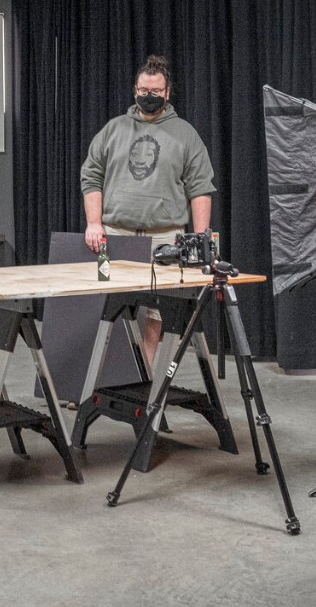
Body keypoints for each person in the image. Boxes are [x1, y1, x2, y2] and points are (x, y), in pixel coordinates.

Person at [80, 54, 216, 370]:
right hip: (113, 236)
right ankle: (95, 383)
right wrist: (93, 223)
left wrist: (200, 239)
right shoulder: (113, 130)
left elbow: (200, 188)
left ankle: (144, 379)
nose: (149, 96)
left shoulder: (185, 134)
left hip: (165, 238)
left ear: (167, 93)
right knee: (105, 307)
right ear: (134, 90)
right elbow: (91, 176)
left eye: (155, 91)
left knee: (156, 315)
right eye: (143, 90)